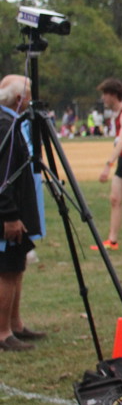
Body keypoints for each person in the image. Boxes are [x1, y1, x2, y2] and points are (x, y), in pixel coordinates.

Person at [0, 75, 46, 351]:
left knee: (17, 267)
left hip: (16, 211)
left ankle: (15, 324)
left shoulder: (11, 122)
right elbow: (3, 177)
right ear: (19, 99)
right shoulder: (5, 125)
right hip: (8, 214)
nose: (32, 101)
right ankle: (3, 332)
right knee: (7, 270)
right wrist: (9, 215)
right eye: (29, 95)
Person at [91, 78, 122, 251]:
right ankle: (112, 241)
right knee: (115, 200)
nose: (103, 98)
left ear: (113, 95)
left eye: (105, 94)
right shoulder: (116, 115)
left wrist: (107, 165)